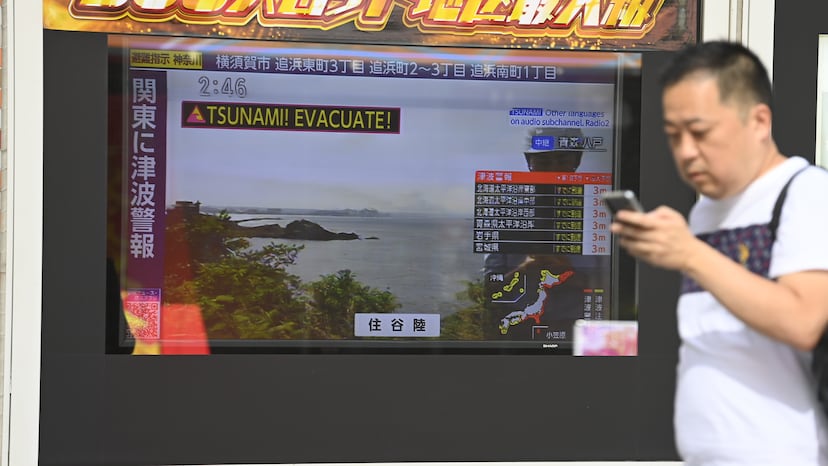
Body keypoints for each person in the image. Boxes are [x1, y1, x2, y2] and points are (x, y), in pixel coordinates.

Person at [611, 40, 828, 464]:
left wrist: (690, 255)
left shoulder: (808, 193)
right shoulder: (706, 211)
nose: (686, 151)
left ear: (759, 121)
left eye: (700, 132)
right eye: (674, 135)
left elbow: (803, 321)